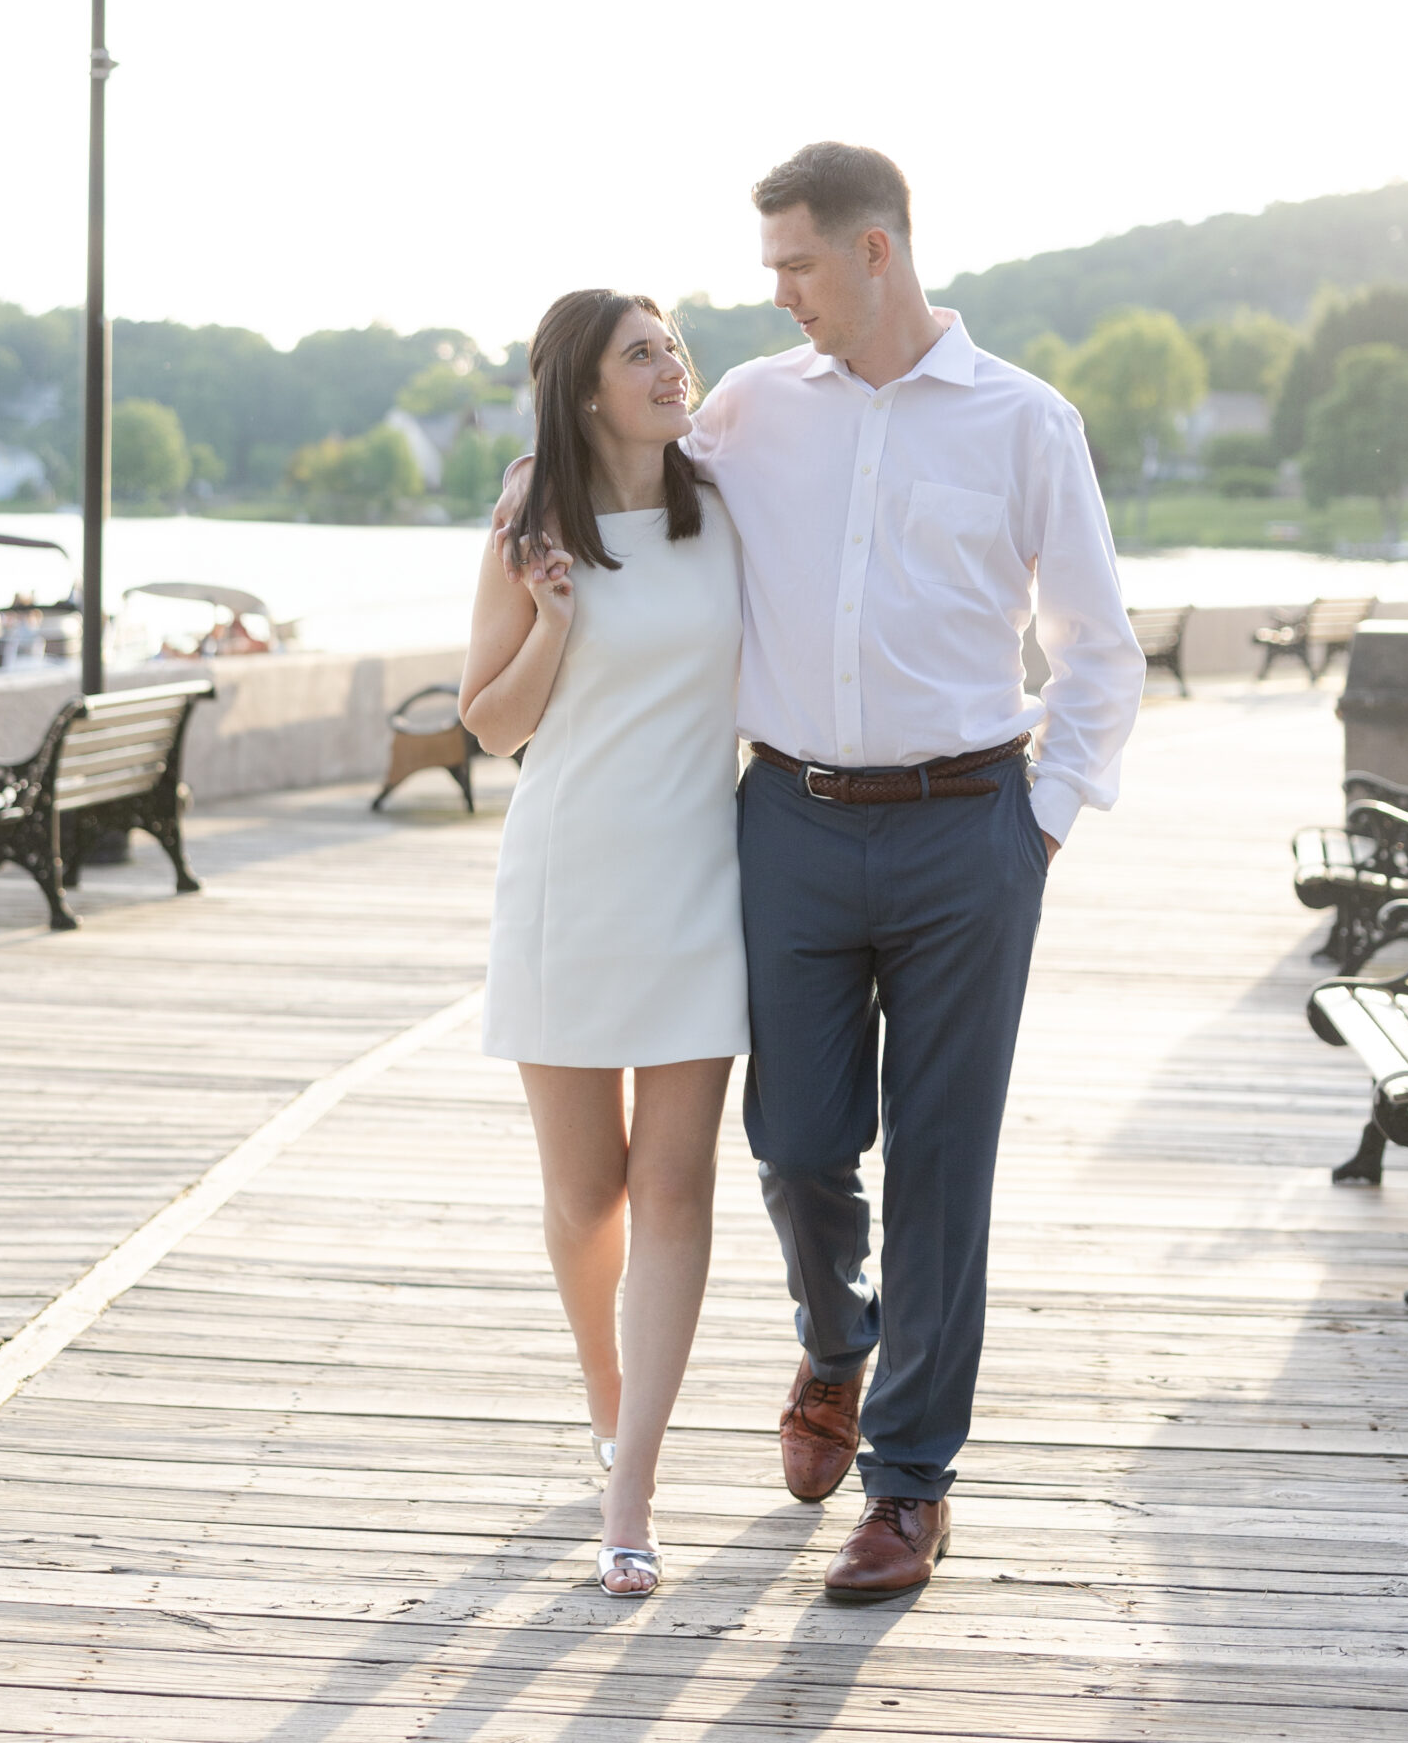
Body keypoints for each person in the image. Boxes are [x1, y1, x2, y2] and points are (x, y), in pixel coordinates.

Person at [499, 142, 1144, 1601]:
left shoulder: (1024, 421)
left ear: (875, 252)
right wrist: (529, 482)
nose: (772, 292)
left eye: (793, 264)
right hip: (783, 823)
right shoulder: (746, 407)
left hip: (967, 826)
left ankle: (909, 1482)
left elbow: (1098, 653)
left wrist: (1032, 829)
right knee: (793, 1143)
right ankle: (836, 1336)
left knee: (941, 1158)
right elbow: (625, 481)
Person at [460, 290, 748, 1600]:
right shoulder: (532, 522)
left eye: (672, 346)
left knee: (676, 1190)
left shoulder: (727, 504)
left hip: (700, 888)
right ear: (585, 390)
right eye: (642, 353)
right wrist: (557, 618)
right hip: (567, 888)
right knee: (589, 1198)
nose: (670, 366)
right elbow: (490, 726)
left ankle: (631, 1483)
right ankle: (606, 1403)